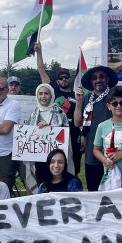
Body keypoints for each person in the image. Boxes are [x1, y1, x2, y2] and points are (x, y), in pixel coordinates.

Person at [35, 41, 82, 173]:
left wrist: (83, 136)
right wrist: (39, 52)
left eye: (66, 77)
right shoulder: (52, 92)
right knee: (54, 166)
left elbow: (81, 118)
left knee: (73, 165)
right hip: (53, 133)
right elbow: (41, 70)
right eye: (61, 78)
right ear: (57, 81)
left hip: (72, 134)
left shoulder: (76, 95)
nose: (64, 80)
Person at [74, 64, 118, 191]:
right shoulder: (86, 98)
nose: (98, 80)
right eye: (95, 77)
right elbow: (77, 123)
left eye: (101, 76)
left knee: (113, 191)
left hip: (113, 154)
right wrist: (79, 102)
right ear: (91, 81)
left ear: (107, 79)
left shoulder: (115, 97)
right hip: (91, 154)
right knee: (93, 190)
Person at [24, 83, 72, 185]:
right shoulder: (34, 114)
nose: (43, 96)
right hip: (39, 158)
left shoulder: (59, 112)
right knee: (41, 182)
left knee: (57, 183)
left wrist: (50, 125)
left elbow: (65, 132)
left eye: (46, 93)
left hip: (56, 159)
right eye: (40, 94)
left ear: (51, 95)